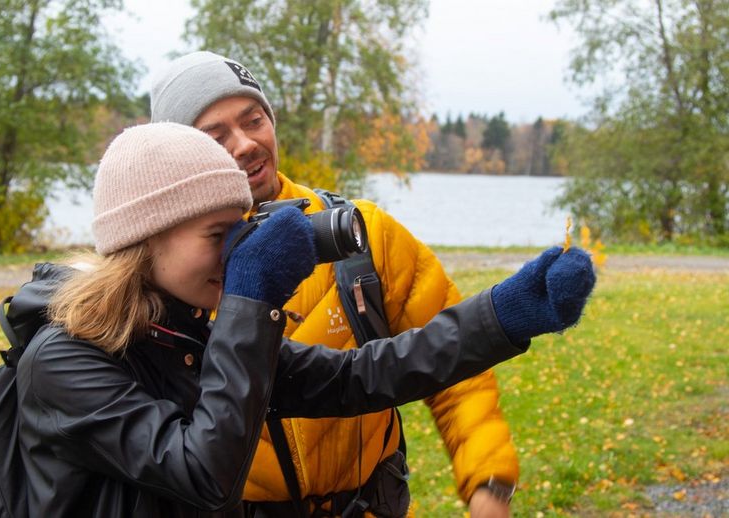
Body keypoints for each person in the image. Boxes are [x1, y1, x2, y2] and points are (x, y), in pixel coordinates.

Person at [15, 121, 595, 517]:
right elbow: (205, 475)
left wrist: (508, 313)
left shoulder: (189, 330)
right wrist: (250, 298)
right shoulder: (64, 361)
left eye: (241, 232)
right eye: (219, 236)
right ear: (145, 243)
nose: (235, 254)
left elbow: (359, 377)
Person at [149, 52, 591, 516]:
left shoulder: (361, 233)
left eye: (253, 120)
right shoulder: (175, 273)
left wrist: (488, 479)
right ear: (182, 161)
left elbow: (453, 362)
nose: (243, 144)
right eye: (215, 137)